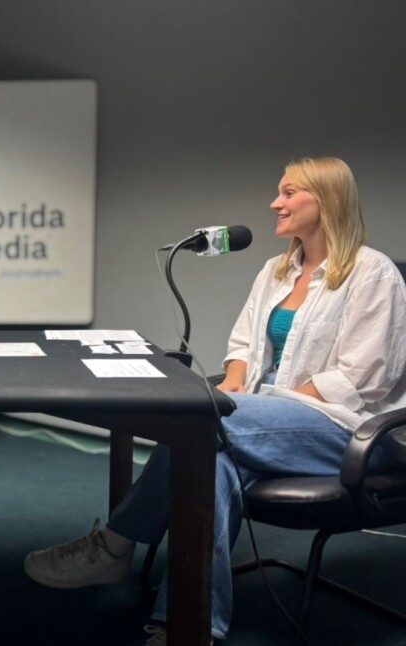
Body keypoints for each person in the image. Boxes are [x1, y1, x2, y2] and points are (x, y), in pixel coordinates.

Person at [23, 157, 406, 644]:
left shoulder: (373, 273)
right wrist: (237, 385)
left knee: (198, 419)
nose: (275, 203)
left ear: (327, 199)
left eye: (289, 193)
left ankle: (114, 546)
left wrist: (260, 406)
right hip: (269, 420)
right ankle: (188, 626)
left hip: (346, 429)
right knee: (212, 464)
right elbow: (242, 345)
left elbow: (362, 378)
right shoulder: (276, 270)